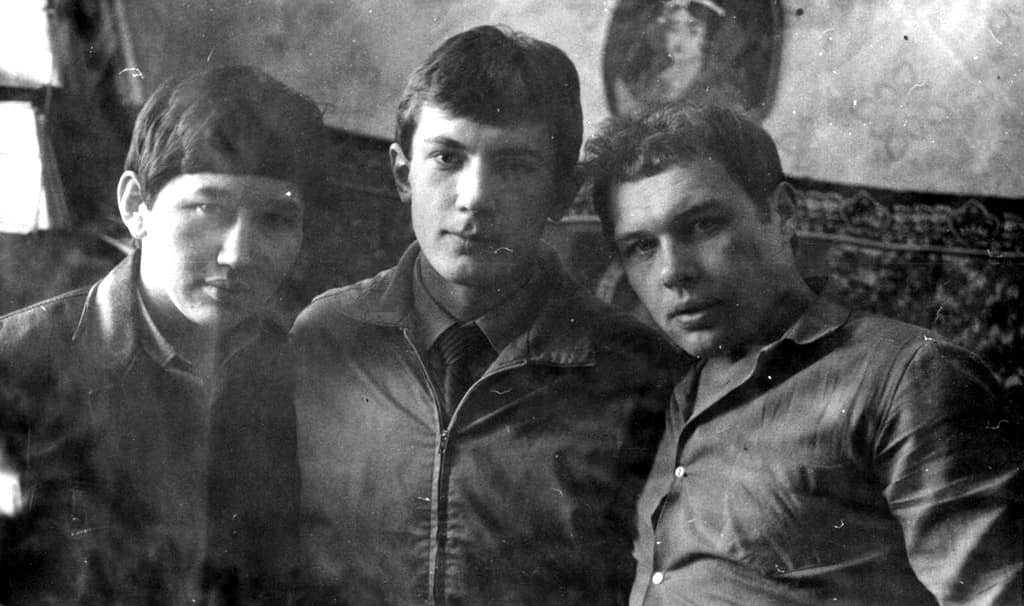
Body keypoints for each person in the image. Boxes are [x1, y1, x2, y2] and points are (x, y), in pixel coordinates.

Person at [291, 25, 681, 605]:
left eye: (515, 165)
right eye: (446, 157)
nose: (474, 197)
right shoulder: (326, 338)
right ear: (402, 173)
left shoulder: (636, 370)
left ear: (562, 191)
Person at [583, 101, 1023, 605]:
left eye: (702, 225)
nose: (671, 272)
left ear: (784, 214)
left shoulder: (907, 376)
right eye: (642, 246)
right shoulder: (677, 394)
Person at [0, 65, 325, 603]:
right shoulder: (14, 365)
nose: (238, 254)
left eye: (274, 219)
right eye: (206, 208)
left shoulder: (307, 366)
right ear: (136, 207)